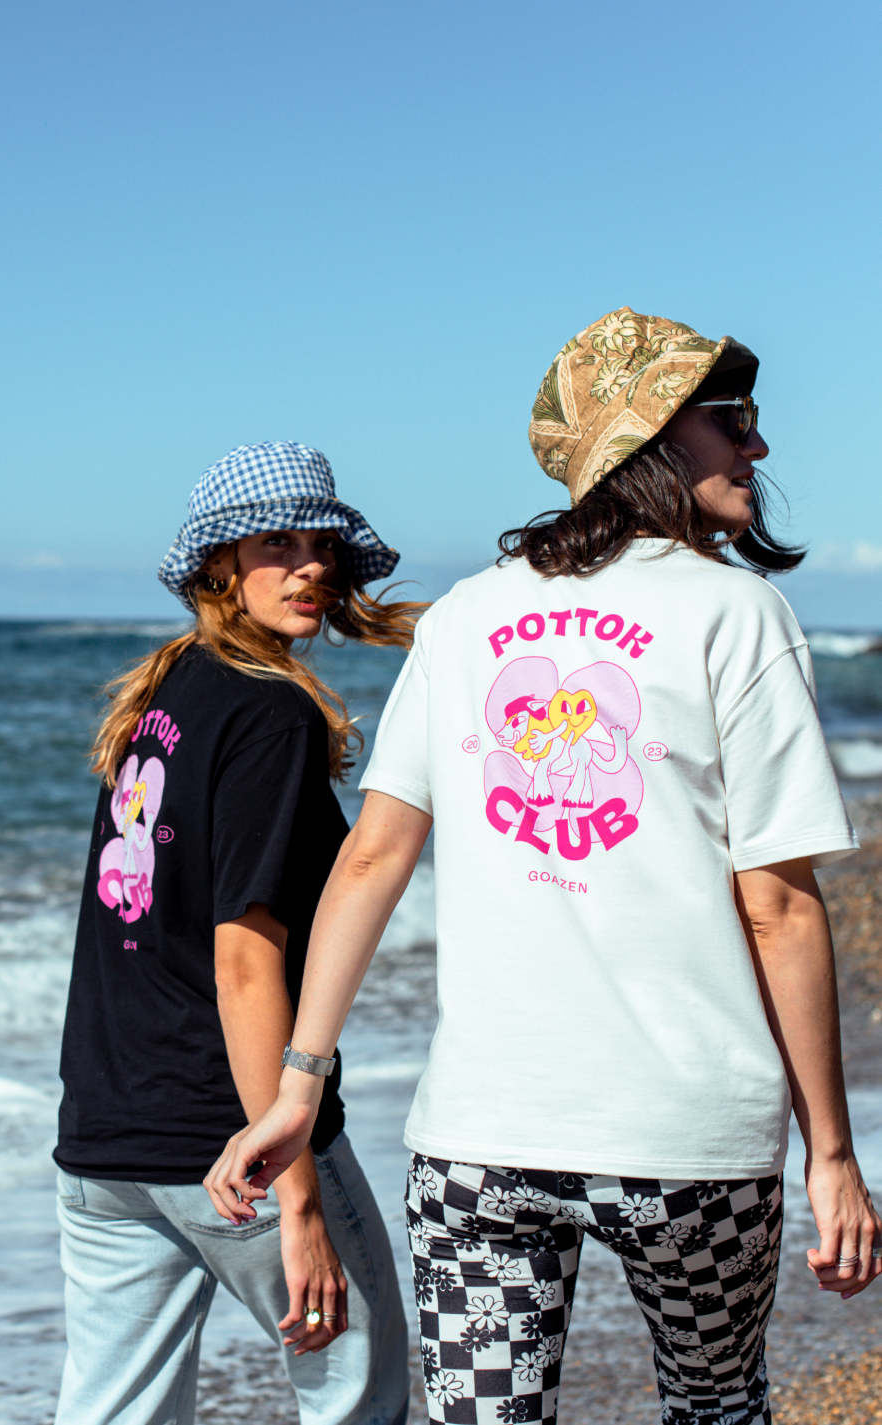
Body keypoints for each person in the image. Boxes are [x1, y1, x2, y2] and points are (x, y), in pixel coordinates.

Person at [205, 311, 882, 1425]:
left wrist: (298, 1081)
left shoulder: (468, 616)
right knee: (716, 1412)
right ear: (651, 437)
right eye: (735, 423)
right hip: (691, 1146)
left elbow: (372, 857)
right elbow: (777, 908)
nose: (757, 449)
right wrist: (834, 1153)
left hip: (483, 1146)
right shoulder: (738, 615)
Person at [54, 442, 418, 1425]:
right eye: (278, 545)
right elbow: (245, 963)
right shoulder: (271, 713)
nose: (310, 568)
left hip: (104, 1136)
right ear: (223, 564)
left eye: (322, 547)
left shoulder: (161, 695)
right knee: (361, 1397)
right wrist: (297, 1196)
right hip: (233, 1142)